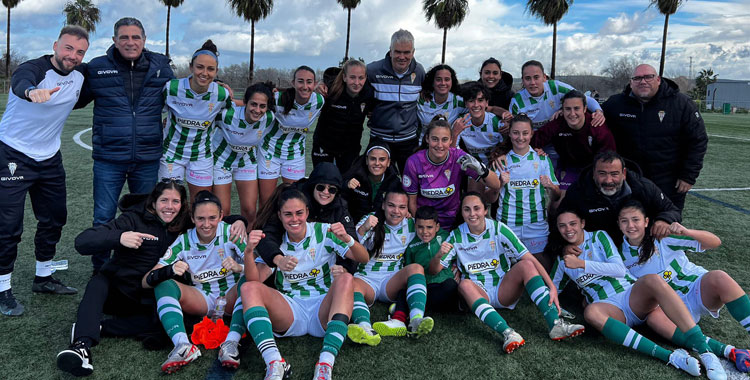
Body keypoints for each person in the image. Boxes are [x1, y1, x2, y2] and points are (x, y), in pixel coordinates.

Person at [550, 208, 726, 379]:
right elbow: (551, 290)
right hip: (610, 308)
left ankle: (706, 351)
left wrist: (582, 264)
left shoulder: (599, 237)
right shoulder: (562, 260)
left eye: (572, 223)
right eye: (562, 226)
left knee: (652, 280)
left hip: (631, 297)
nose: (568, 229)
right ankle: (670, 357)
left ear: (582, 223)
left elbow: (619, 270)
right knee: (591, 312)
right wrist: (553, 313)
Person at [56, 179, 189, 376]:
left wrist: (239, 222)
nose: (169, 207)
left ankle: (95, 326)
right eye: (164, 200)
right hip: (117, 292)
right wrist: (119, 237)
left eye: (175, 202)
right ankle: (81, 346)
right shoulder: (132, 219)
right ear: (153, 202)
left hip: (147, 297)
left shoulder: (185, 223)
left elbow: (213, 220)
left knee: (172, 322)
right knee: (98, 282)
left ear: (182, 204)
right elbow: (82, 242)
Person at [0, 25, 89, 317]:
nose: (72, 56)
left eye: (79, 51)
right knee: (8, 226)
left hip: (49, 158)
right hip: (13, 153)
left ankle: (43, 278)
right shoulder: (34, 69)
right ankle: (2, 290)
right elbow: (20, 81)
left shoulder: (80, 77)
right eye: (68, 48)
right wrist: (31, 92)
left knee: (54, 218)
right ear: (55, 45)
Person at [76, 17, 175, 273]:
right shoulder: (97, 68)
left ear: (144, 40)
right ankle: (101, 270)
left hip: (147, 157)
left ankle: (139, 268)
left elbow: (184, 92)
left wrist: (218, 86)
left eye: (135, 37)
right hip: (109, 158)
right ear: (114, 40)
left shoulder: (162, 67)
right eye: (124, 37)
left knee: (148, 216)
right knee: (103, 217)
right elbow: (73, 99)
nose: (130, 42)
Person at [430, 193, 585, 354]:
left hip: (504, 289)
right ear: (462, 212)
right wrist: (439, 255)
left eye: (477, 208)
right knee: (464, 284)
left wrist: (551, 286)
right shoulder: (456, 235)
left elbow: (529, 257)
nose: (472, 214)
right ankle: (508, 334)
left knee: (525, 264)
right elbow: (434, 270)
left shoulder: (498, 228)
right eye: (466, 209)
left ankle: (555, 325)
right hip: (479, 292)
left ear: (485, 210)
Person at [240, 188, 369, 380]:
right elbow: (253, 281)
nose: (294, 219)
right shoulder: (274, 243)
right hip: (291, 310)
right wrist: (249, 252)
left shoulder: (324, 231)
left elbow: (363, 258)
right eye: (288, 214)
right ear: (279, 216)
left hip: (323, 308)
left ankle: (325, 363)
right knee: (247, 288)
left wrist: (348, 239)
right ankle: (275, 362)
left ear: (307, 212)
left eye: (299, 213)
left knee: (346, 278)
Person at [618, 200, 750, 372]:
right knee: (653, 318)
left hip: (697, 289)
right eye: (624, 221)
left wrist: (687, 231)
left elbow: (715, 242)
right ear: (618, 224)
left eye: (636, 219)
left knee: (719, 276)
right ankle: (728, 351)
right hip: (671, 308)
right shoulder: (620, 255)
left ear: (646, 221)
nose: (631, 225)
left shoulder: (663, 238)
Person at [142, 191, 249, 374]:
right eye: (200, 218)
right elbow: (146, 281)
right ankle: (183, 345)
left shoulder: (231, 232)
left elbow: (263, 268)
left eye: (212, 218)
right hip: (202, 298)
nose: (206, 224)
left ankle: (231, 342)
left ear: (221, 216)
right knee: (163, 283)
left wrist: (240, 268)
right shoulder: (183, 241)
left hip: (231, 296)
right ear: (192, 218)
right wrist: (169, 270)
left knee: (249, 282)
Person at [603, 64, 708, 212]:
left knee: (666, 227)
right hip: (629, 179)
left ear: (658, 79)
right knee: (628, 226)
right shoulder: (615, 104)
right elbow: (590, 121)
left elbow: (698, 141)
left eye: (648, 77)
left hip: (669, 181)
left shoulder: (682, 104)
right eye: (637, 78)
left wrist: (688, 176)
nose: (643, 81)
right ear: (631, 82)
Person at [348, 187, 435, 346]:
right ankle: (366, 328)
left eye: (402, 207)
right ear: (383, 205)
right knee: (350, 283)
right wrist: (364, 228)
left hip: (391, 281)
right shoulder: (370, 219)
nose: (396, 211)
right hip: (366, 280)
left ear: (407, 208)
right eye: (391, 205)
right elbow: (348, 248)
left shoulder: (411, 224)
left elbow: (433, 232)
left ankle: (416, 320)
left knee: (416, 268)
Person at [160, 40, 233, 201]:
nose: (204, 73)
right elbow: (153, 113)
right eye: (200, 67)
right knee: (170, 204)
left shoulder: (221, 94)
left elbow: (232, 111)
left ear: (216, 72)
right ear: (191, 67)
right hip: (172, 154)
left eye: (210, 69)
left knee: (201, 204)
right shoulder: (172, 88)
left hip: (201, 157)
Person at [256, 163, 360, 275]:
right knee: (259, 271)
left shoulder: (340, 208)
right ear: (312, 185)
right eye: (321, 187)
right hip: (287, 259)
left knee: (346, 279)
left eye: (332, 190)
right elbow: (267, 235)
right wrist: (278, 259)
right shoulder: (293, 199)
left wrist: (345, 268)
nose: (325, 192)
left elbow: (353, 244)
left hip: (318, 266)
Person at [558, 151, 680, 244]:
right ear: (593, 174)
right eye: (602, 174)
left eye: (614, 174)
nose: (608, 180)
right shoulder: (578, 191)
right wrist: (565, 246)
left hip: (638, 245)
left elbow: (672, 210)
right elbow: (559, 221)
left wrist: (664, 220)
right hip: (598, 250)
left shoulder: (644, 187)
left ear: (624, 173)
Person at [373, 206, 459, 337]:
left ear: (437, 227)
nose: (425, 232)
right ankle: (399, 320)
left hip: (442, 286)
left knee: (450, 286)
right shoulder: (412, 245)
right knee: (404, 291)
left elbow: (439, 268)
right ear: (415, 226)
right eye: (420, 227)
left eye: (429, 227)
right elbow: (409, 269)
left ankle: (403, 309)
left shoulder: (446, 237)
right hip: (424, 286)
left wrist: (457, 268)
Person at [403, 117, 501, 230]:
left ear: (451, 140)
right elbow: (412, 203)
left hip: (453, 222)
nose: (440, 145)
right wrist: (423, 227)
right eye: (435, 139)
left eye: (444, 140)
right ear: (427, 139)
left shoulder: (458, 157)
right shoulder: (414, 162)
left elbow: (496, 184)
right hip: (426, 224)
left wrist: (481, 169)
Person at [490, 114, 560, 270]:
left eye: (525, 133)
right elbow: (490, 199)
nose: (520, 137)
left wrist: (550, 186)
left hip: (536, 225)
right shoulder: (501, 162)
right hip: (508, 224)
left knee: (541, 269)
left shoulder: (542, 159)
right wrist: (499, 184)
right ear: (509, 134)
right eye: (516, 132)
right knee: (507, 270)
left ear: (532, 134)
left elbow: (557, 196)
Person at [258, 66, 324, 207]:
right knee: (267, 202)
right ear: (293, 83)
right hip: (269, 153)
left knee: (294, 201)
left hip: (294, 156)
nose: (305, 86)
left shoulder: (319, 101)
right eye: (300, 81)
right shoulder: (277, 99)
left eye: (309, 82)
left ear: (315, 83)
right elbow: (251, 100)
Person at [213, 83, 275, 227]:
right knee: (224, 211)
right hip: (222, 162)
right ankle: (226, 244)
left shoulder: (269, 117)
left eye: (262, 106)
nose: (257, 110)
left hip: (246, 162)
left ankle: (246, 245)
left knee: (250, 211)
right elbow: (203, 115)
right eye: (253, 104)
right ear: (245, 103)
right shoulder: (226, 115)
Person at [531, 90, 616, 192]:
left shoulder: (597, 126)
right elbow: (531, 141)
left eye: (576, 108)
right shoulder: (557, 124)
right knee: (559, 200)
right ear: (562, 110)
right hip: (568, 168)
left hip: (594, 170)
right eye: (568, 109)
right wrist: (535, 151)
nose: (572, 114)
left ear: (584, 109)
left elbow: (609, 157)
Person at [367, 29, 425, 172]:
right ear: (390, 51)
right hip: (379, 138)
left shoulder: (419, 72)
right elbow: (350, 82)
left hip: (408, 141)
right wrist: (323, 86)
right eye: (398, 51)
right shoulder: (373, 70)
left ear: (413, 52)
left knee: (410, 182)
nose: (402, 57)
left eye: (407, 52)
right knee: (378, 184)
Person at [312, 59, 374, 174]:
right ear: (344, 77)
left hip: (350, 149)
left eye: (361, 78)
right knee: (323, 180)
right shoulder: (330, 90)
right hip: (324, 146)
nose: (356, 82)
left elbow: (375, 109)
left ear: (365, 78)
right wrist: (317, 87)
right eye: (352, 77)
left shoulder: (368, 94)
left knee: (347, 184)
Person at [510, 60, 604, 130]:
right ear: (522, 80)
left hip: (560, 138)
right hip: (535, 142)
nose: (532, 82)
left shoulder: (557, 87)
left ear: (544, 77)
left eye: (536, 77)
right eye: (527, 78)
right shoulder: (517, 101)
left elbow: (584, 99)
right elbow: (515, 130)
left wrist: (598, 111)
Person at [342, 140, 400, 223]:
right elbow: (338, 198)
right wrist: (346, 185)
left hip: (381, 226)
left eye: (382, 159)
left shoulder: (395, 182)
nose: (377, 163)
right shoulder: (354, 177)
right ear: (366, 160)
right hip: (355, 225)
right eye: (373, 159)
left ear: (388, 162)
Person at [451, 81, 506, 166]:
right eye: (471, 101)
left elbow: (507, 146)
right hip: (471, 167)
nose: (476, 105)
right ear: (466, 103)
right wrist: (454, 134)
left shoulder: (496, 122)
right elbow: (452, 152)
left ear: (487, 103)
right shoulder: (460, 122)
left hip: (494, 164)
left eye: (480, 100)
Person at [417, 64, 466, 141]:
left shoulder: (458, 101)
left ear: (452, 82)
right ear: (432, 82)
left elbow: (475, 109)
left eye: (447, 79)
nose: (443, 83)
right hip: (423, 146)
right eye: (438, 79)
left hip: (449, 147)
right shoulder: (421, 99)